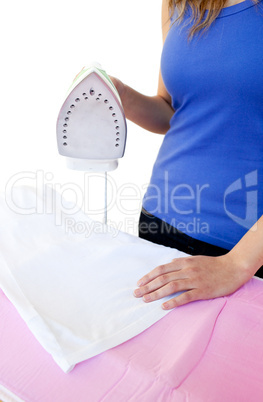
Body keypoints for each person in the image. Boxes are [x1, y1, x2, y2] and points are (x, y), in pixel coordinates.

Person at [110, 0, 263, 309]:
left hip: (245, 249)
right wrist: (122, 96)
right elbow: (174, 112)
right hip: (160, 222)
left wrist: (237, 264)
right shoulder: (178, 3)